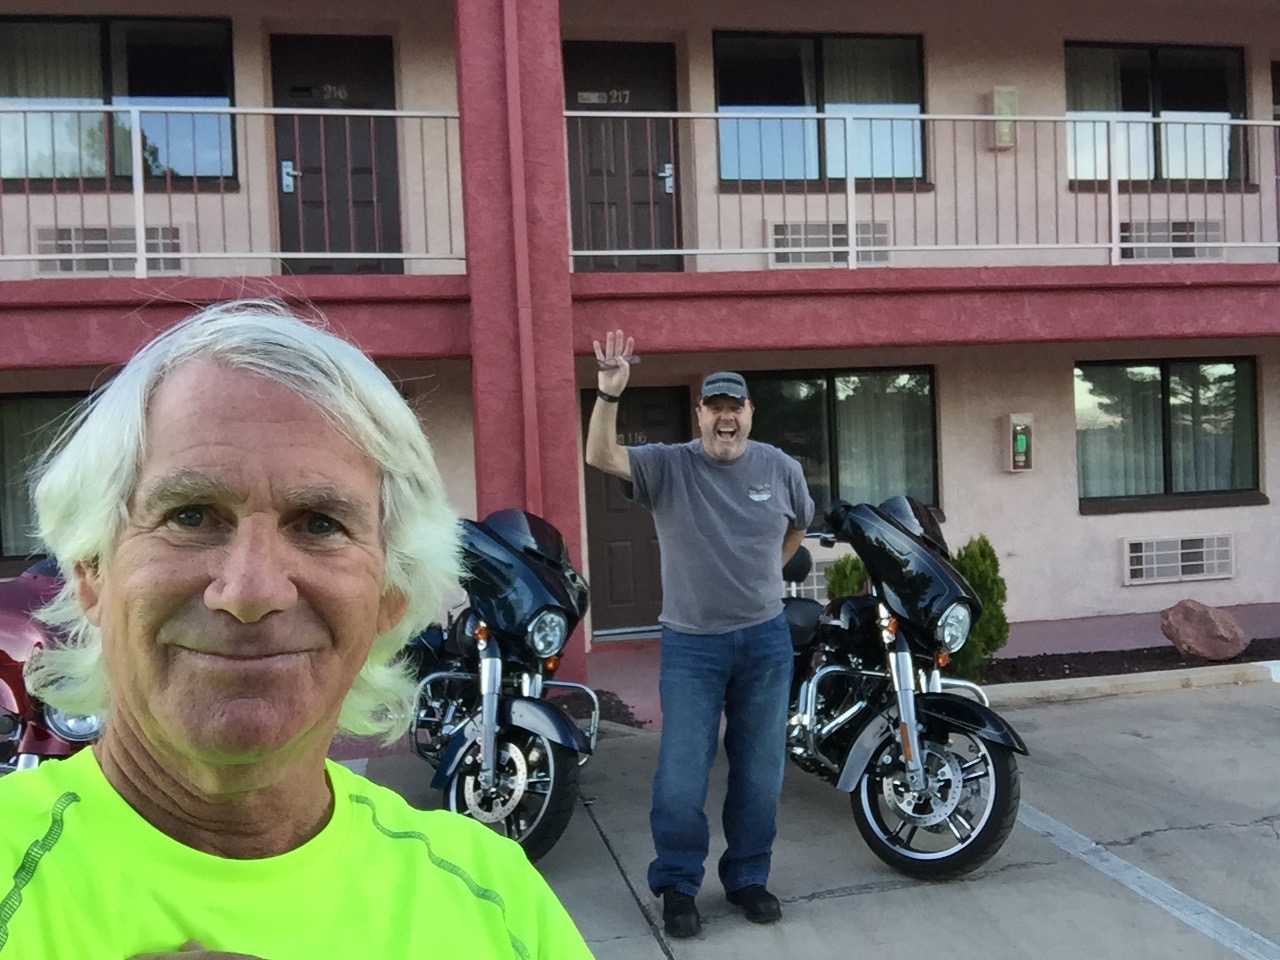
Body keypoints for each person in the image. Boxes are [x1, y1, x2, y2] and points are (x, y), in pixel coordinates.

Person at [0, 300, 594, 960]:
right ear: (91, 571)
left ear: (391, 594)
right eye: (190, 515)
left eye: (319, 524)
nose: (250, 591)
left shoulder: (496, 899)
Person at [584, 329, 814, 939]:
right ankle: (679, 883)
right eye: (715, 407)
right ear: (700, 414)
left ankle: (747, 878)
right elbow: (601, 456)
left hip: (765, 642)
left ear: (749, 413)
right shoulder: (669, 465)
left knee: (761, 774)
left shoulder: (780, 468)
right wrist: (609, 394)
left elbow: (799, 525)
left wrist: (768, 569)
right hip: (691, 647)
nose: (725, 417)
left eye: (735, 406)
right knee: (681, 777)